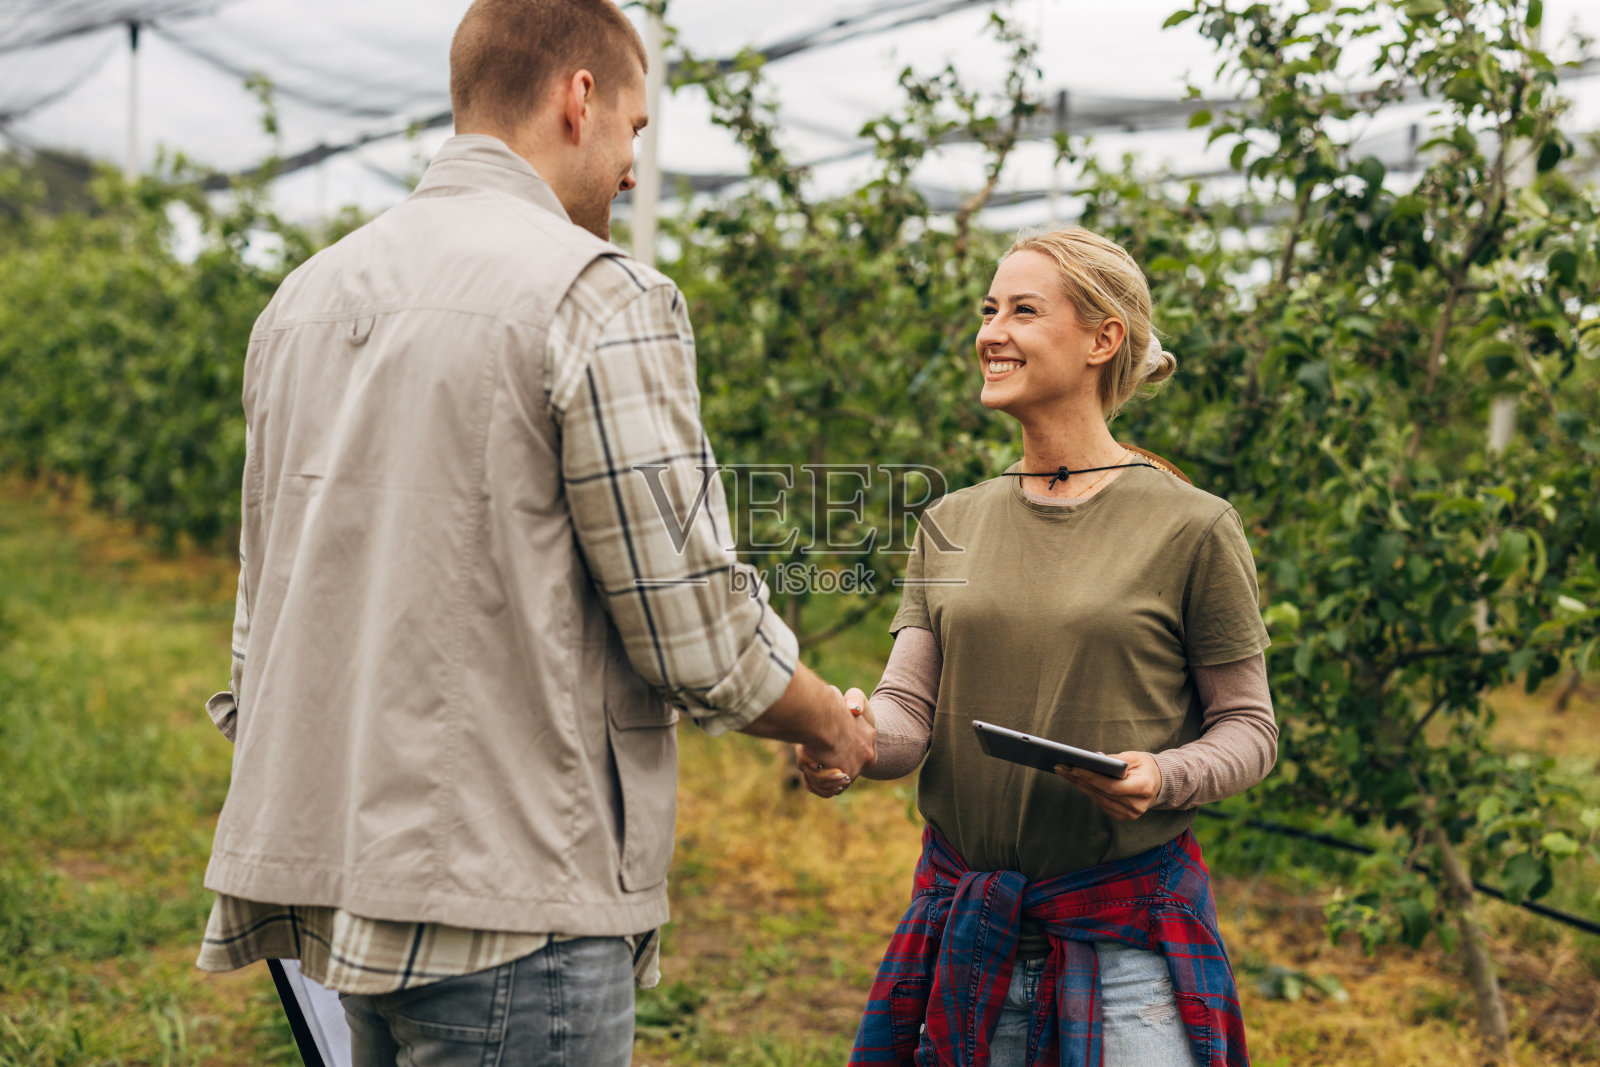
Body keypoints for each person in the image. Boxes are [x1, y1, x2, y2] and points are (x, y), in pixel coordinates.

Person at [194, 1, 874, 1063]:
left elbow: (265, 597)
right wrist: (824, 716)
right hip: (510, 898)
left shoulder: (303, 301)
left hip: (340, 879)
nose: (634, 170)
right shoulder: (594, 294)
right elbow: (691, 622)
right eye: (637, 133)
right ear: (580, 97)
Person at [800, 227, 1276, 1066]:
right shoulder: (952, 521)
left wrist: (1164, 776)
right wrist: (853, 738)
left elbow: (1248, 726)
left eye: (1023, 310)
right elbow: (910, 710)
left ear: (1103, 339)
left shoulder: (1193, 525)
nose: (991, 332)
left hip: (1122, 952)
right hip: (967, 932)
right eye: (988, 310)